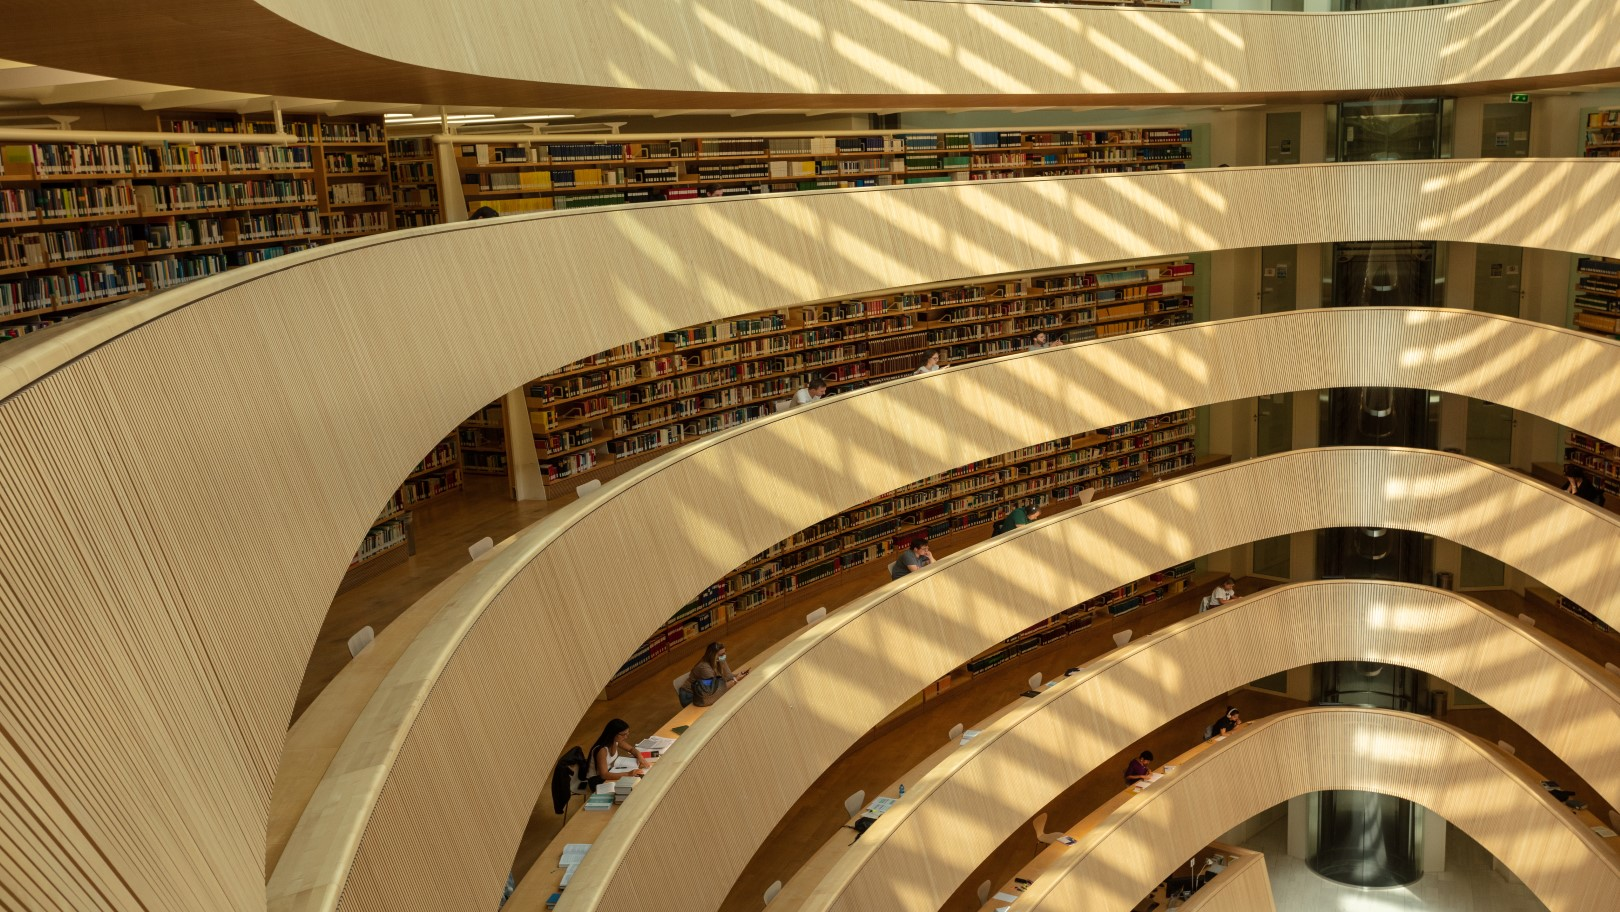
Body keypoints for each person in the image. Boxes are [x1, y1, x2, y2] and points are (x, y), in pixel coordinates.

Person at [586, 719, 648, 789]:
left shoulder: (616, 741)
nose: (626, 737)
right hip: (597, 780)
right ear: (613, 734)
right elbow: (604, 775)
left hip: (610, 771)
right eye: (623, 734)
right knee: (630, 786)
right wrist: (628, 774)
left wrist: (640, 757)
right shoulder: (602, 750)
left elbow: (631, 749)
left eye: (627, 733)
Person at [688, 642, 744, 707]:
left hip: (705, 690)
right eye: (721, 654)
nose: (724, 655)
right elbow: (717, 688)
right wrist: (735, 680)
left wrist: (737, 675)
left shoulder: (718, 660)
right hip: (692, 694)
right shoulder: (704, 667)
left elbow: (728, 676)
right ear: (712, 655)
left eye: (725, 652)